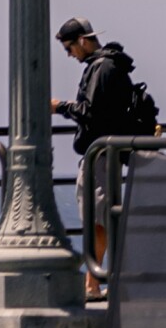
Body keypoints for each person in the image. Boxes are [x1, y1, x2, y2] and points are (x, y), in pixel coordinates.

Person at [53, 16, 157, 299]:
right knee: (99, 216)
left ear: (83, 41)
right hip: (103, 153)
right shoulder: (110, 65)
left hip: (100, 153)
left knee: (98, 218)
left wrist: (60, 106)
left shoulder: (102, 67)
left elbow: (91, 111)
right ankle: (94, 281)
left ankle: (93, 283)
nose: (69, 54)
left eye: (70, 48)